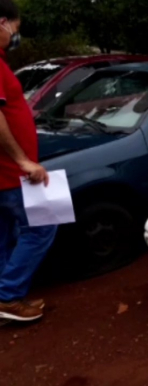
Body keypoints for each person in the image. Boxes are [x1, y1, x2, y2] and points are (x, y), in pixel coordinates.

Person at [0, 0, 56, 322]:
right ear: (4, 22)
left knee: (5, 236)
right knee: (42, 227)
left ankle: (4, 294)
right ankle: (8, 296)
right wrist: (23, 161)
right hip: (11, 174)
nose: (15, 36)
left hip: (4, 175)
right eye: (16, 30)